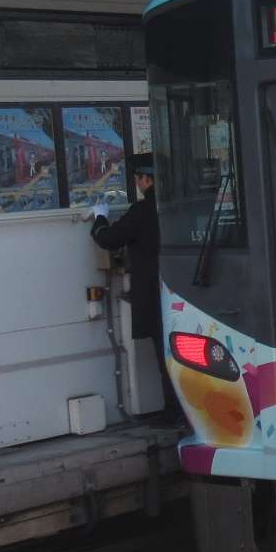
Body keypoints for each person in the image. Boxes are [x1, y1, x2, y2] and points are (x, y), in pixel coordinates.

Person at [91, 154, 180, 421]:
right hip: (182, 292)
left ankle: (174, 411)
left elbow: (109, 239)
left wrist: (99, 218)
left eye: (138, 180)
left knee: (165, 354)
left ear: (146, 180)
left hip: (154, 294)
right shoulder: (178, 205)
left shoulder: (142, 211)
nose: (138, 185)